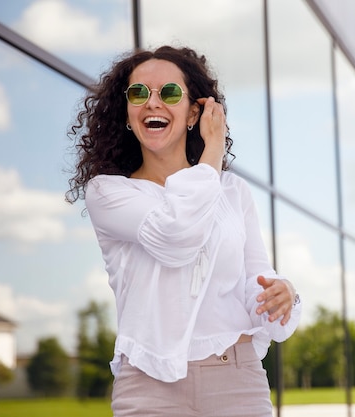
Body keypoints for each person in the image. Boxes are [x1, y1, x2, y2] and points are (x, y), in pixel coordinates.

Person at [65, 45, 301, 417]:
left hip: (237, 381)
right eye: (139, 93)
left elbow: (255, 282)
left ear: (195, 112)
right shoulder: (108, 192)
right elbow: (177, 237)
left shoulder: (233, 192)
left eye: (169, 93)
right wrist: (213, 150)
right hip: (148, 388)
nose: (152, 103)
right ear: (126, 113)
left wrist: (281, 295)